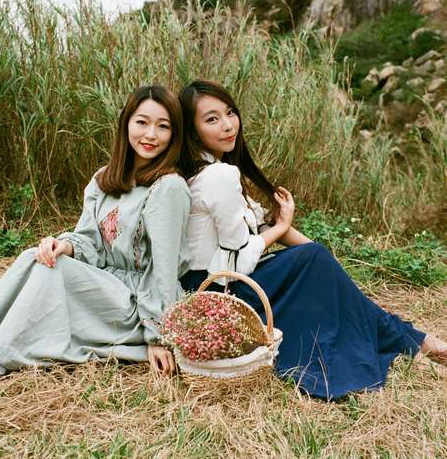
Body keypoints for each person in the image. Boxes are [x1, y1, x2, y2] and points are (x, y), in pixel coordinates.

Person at [177, 79, 447, 399]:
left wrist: (326, 263)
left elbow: (263, 226)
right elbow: (240, 259)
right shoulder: (218, 176)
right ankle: (413, 340)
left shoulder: (215, 169)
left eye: (230, 113)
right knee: (314, 261)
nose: (227, 125)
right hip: (222, 291)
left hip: (221, 284)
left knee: (317, 262)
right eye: (212, 119)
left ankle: (410, 338)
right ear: (193, 131)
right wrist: (287, 230)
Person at [0, 85, 190, 384]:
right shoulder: (104, 179)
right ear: (126, 123)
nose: (151, 134)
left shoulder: (169, 187)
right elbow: (89, 240)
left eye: (163, 126)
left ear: (174, 134)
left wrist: (157, 335)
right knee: (35, 257)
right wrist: (64, 245)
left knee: (54, 271)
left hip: (137, 303)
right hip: (104, 285)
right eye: (142, 122)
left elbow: (163, 271)